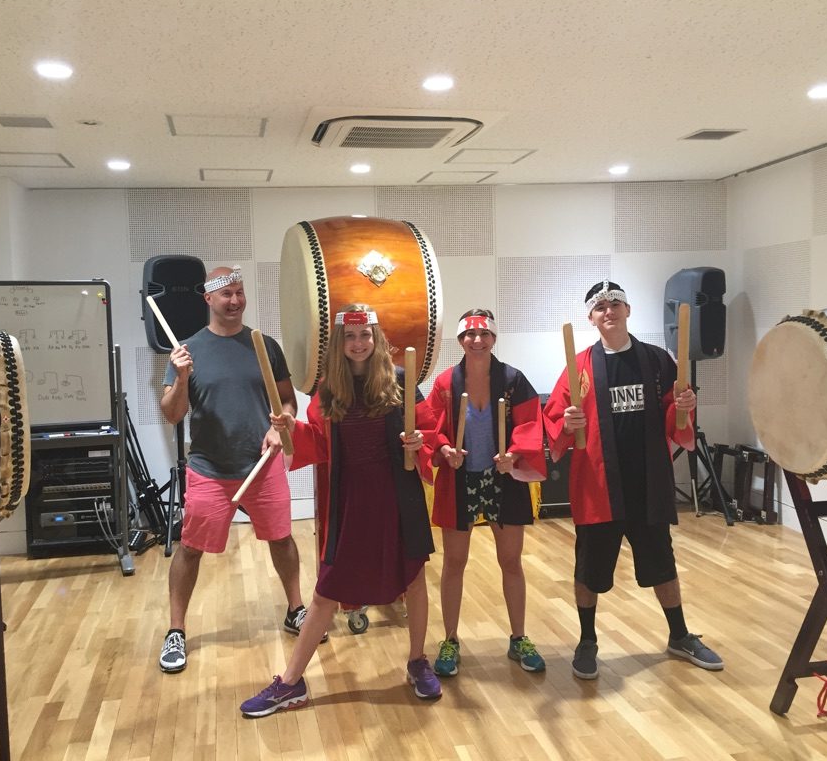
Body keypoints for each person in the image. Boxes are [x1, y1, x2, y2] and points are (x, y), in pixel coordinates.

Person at [240, 303, 441, 717]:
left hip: (398, 498)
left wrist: (419, 443)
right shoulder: (329, 389)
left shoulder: (401, 381)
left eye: (365, 334)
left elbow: (429, 432)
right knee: (327, 590)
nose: (358, 343)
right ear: (339, 342)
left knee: (414, 578)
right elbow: (318, 440)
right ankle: (291, 683)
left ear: (376, 338)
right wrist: (289, 430)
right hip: (350, 501)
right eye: (349, 336)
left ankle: (418, 660)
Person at [542, 280, 723, 680]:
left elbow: (675, 414)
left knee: (662, 562)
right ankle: (587, 640)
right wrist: (567, 423)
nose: (608, 310)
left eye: (615, 303)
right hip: (599, 486)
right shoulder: (579, 368)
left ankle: (679, 634)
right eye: (600, 306)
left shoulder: (657, 361)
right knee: (590, 569)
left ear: (627, 311)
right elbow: (555, 417)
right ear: (591, 318)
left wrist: (685, 406)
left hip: (647, 482)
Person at [157, 265, 323, 675]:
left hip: (263, 464)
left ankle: (295, 609)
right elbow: (172, 414)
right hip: (209, 469)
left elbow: (287, 401)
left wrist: (278, 426)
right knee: (190, 548)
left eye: (239, 292)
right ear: (208, 299)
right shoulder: (187, 351)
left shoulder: (264, 345)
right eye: (226, 294)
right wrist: (182, 378)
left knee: (282, 538)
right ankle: (176, 630)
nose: (234, 301)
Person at [426, 309, 548, 677]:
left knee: (511, 561)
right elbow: (431, 425)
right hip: (460, 478)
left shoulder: (513, 380)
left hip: (503, 478)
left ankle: (519, 637)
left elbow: (530, 423)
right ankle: (450, 639)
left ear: (494, 338)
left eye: (484, 334)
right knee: (454, 562)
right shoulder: (445, 383)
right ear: (460, 339)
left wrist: (515, 454)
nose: (477, 341)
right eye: (470, 335)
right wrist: (444, 448)